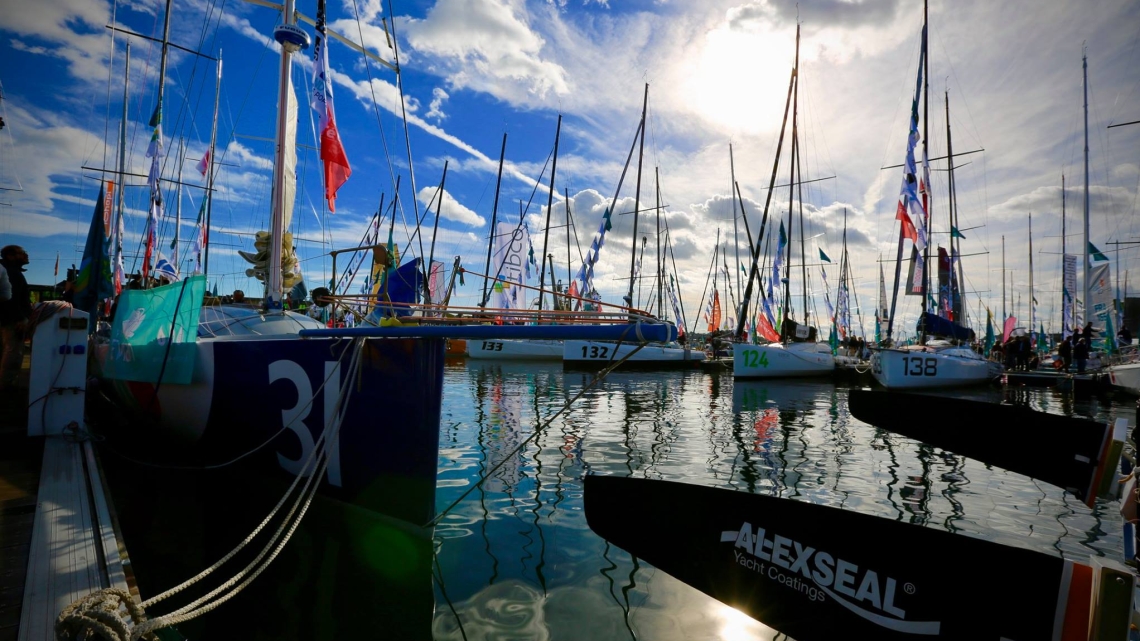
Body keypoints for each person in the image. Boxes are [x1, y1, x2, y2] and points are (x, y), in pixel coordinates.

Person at [0, 245, 32, 390]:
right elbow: (10, 299)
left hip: (11, 318)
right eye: (21, 253)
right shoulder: (10, 273)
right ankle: (7, 384)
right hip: (12, 320)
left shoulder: (11, 271)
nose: (26, 255)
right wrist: (20, 318)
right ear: (10, 256)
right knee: (13, 351)